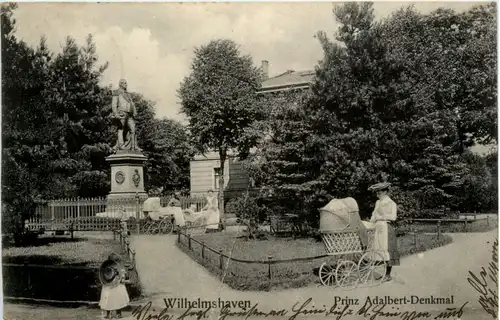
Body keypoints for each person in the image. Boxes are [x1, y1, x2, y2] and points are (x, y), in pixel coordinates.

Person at [368, 182, 400, 282]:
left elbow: (393, 217)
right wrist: (372, 220)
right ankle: (373, 270)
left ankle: (387, 274)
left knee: (387, 249)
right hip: (377, 227)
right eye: (377, 192)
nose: (377, 194)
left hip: (386, 227)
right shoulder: (378, 203)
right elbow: (374, 214)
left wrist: (381, 217)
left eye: (379, 192)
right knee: (377, 248)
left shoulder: (392, 203)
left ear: (385, 192)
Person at [99, 253, 131, 319]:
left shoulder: (106, 268)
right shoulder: (121, 270)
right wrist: (125, 280)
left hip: (108, 286)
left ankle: (108, 314)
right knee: (118, 300)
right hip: (116, 287)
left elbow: (104, 277)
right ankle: (118, 314)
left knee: (107, 300)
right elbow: (122, 279)